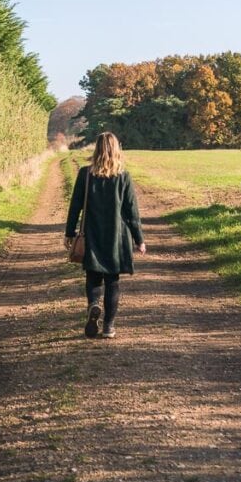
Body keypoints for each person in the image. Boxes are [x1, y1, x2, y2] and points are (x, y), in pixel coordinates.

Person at [64, 131, 146, 339]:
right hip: (116, 238)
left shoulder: (85, 174)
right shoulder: (124, 177)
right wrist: (139, 239)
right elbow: (131, 211)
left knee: (92, 277)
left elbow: (75, 207)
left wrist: (69, 232)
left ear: (97, 149)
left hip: (91, 234)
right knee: (112, 281)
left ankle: (93, 305)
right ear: (116, 149)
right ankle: (109, 327)